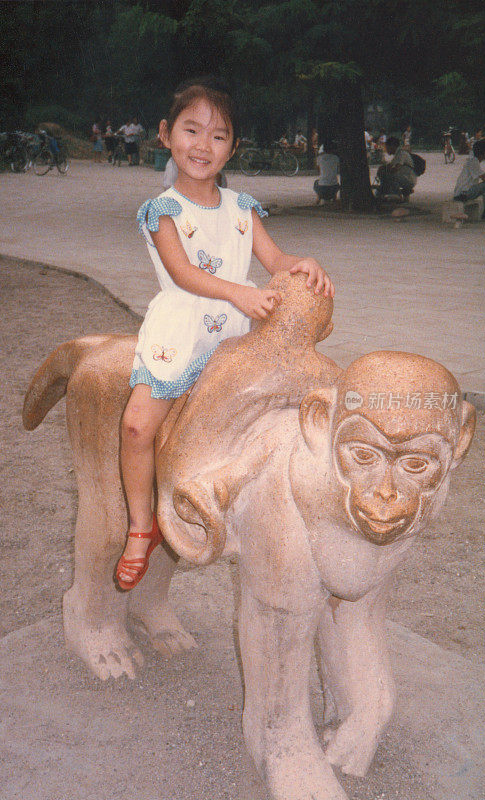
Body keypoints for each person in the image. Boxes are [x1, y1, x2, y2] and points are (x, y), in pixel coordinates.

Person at [115, 77, 334, 589]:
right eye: (191, 130)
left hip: (235, 338)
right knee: (136, 426)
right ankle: (139, 527)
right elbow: (182, 271)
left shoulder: (242, 210)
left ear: (232, 146)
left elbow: (275, 259)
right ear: (167, 135)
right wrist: (238, 292)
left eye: (218, 136)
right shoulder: (163, 210)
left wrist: (302, 264)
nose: (203, 145)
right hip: (182, 332)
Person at [453, 138, 485, 217]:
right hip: (463, 193)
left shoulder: (474, 161)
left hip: (465, 192)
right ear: (483, 152)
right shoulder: (473, 162)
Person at [313, 137, 340, 204]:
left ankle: (318, 197)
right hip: (333, 188)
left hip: (322, 188)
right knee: (336, 182)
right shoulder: (336, 158)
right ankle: (334, 197)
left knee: (316, 182)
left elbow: (318, 170)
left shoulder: (319, 158)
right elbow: (338, 170)